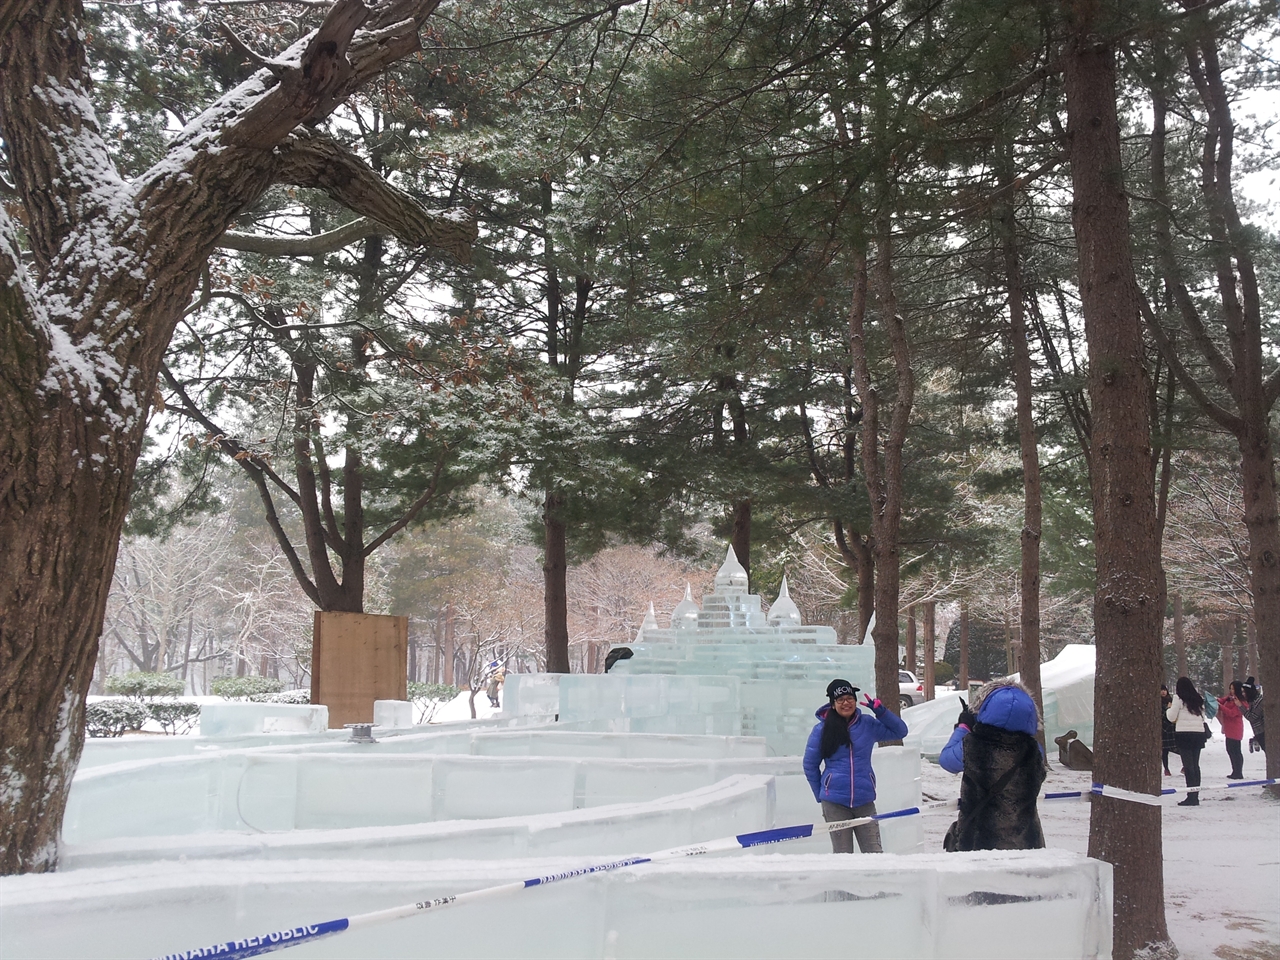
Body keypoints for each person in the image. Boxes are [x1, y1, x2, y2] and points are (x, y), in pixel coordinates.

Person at [938, 678, 1046, 851]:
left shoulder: (974, 744)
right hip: (1027, 843)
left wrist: (964, 727)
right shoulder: (1034, 749)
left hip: (979, 844)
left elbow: (947, 761)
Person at [803, 678, 908, 854]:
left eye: (850, 698)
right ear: (833, 704)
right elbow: (809, 765)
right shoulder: (821, 730)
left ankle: (874, 882)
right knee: (843, 855)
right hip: (834, 804)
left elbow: (900, 731)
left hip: (864, 800)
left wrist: (881, 712)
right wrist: (822, 793)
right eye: (840, 700)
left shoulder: (868, 724)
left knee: (874, 853)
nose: (846, 703)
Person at [1166, 677, 1208, 806]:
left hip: (1184, 734)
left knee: (1188, 766)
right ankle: (1195, 794)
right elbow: (1203, 716)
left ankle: (1191, 796)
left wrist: (1169, 708)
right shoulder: (1198, 698)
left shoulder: (1178, 698)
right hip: (1198, 734)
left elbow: (1171, 716)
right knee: (1195, 765)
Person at [1217, 681, 1246, 779]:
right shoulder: (1230, 698)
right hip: (1228, 727)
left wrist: (1221, 707)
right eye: (1230, 689)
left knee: (1235, 750)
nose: (1231, 691)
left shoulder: (1241, 701)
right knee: (1230, 749)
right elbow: (1221, 700)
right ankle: (1235, 771)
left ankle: (1238, 772)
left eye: (1233, 689)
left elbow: (1232, 713)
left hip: (1235, 728)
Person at [1242, 677, 1265, 754]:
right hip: (1258, 732)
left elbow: (1252, 717)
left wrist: (1241, 707)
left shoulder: (1259, 701)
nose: (1243, 694)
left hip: (1263, 731)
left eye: (1244, 692)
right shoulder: (1252, 701)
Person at [1161, 685, 1178, 777]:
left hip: (1173, 728)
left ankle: (1185, 767)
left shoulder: (1171, 701)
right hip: (1164, 729)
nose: (1163, 692)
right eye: (1161, 690)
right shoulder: (1158, 702)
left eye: (1164, 690)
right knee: (1165, 750)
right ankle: (1166, 769)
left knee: (1179, 748)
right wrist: (1168, 709)